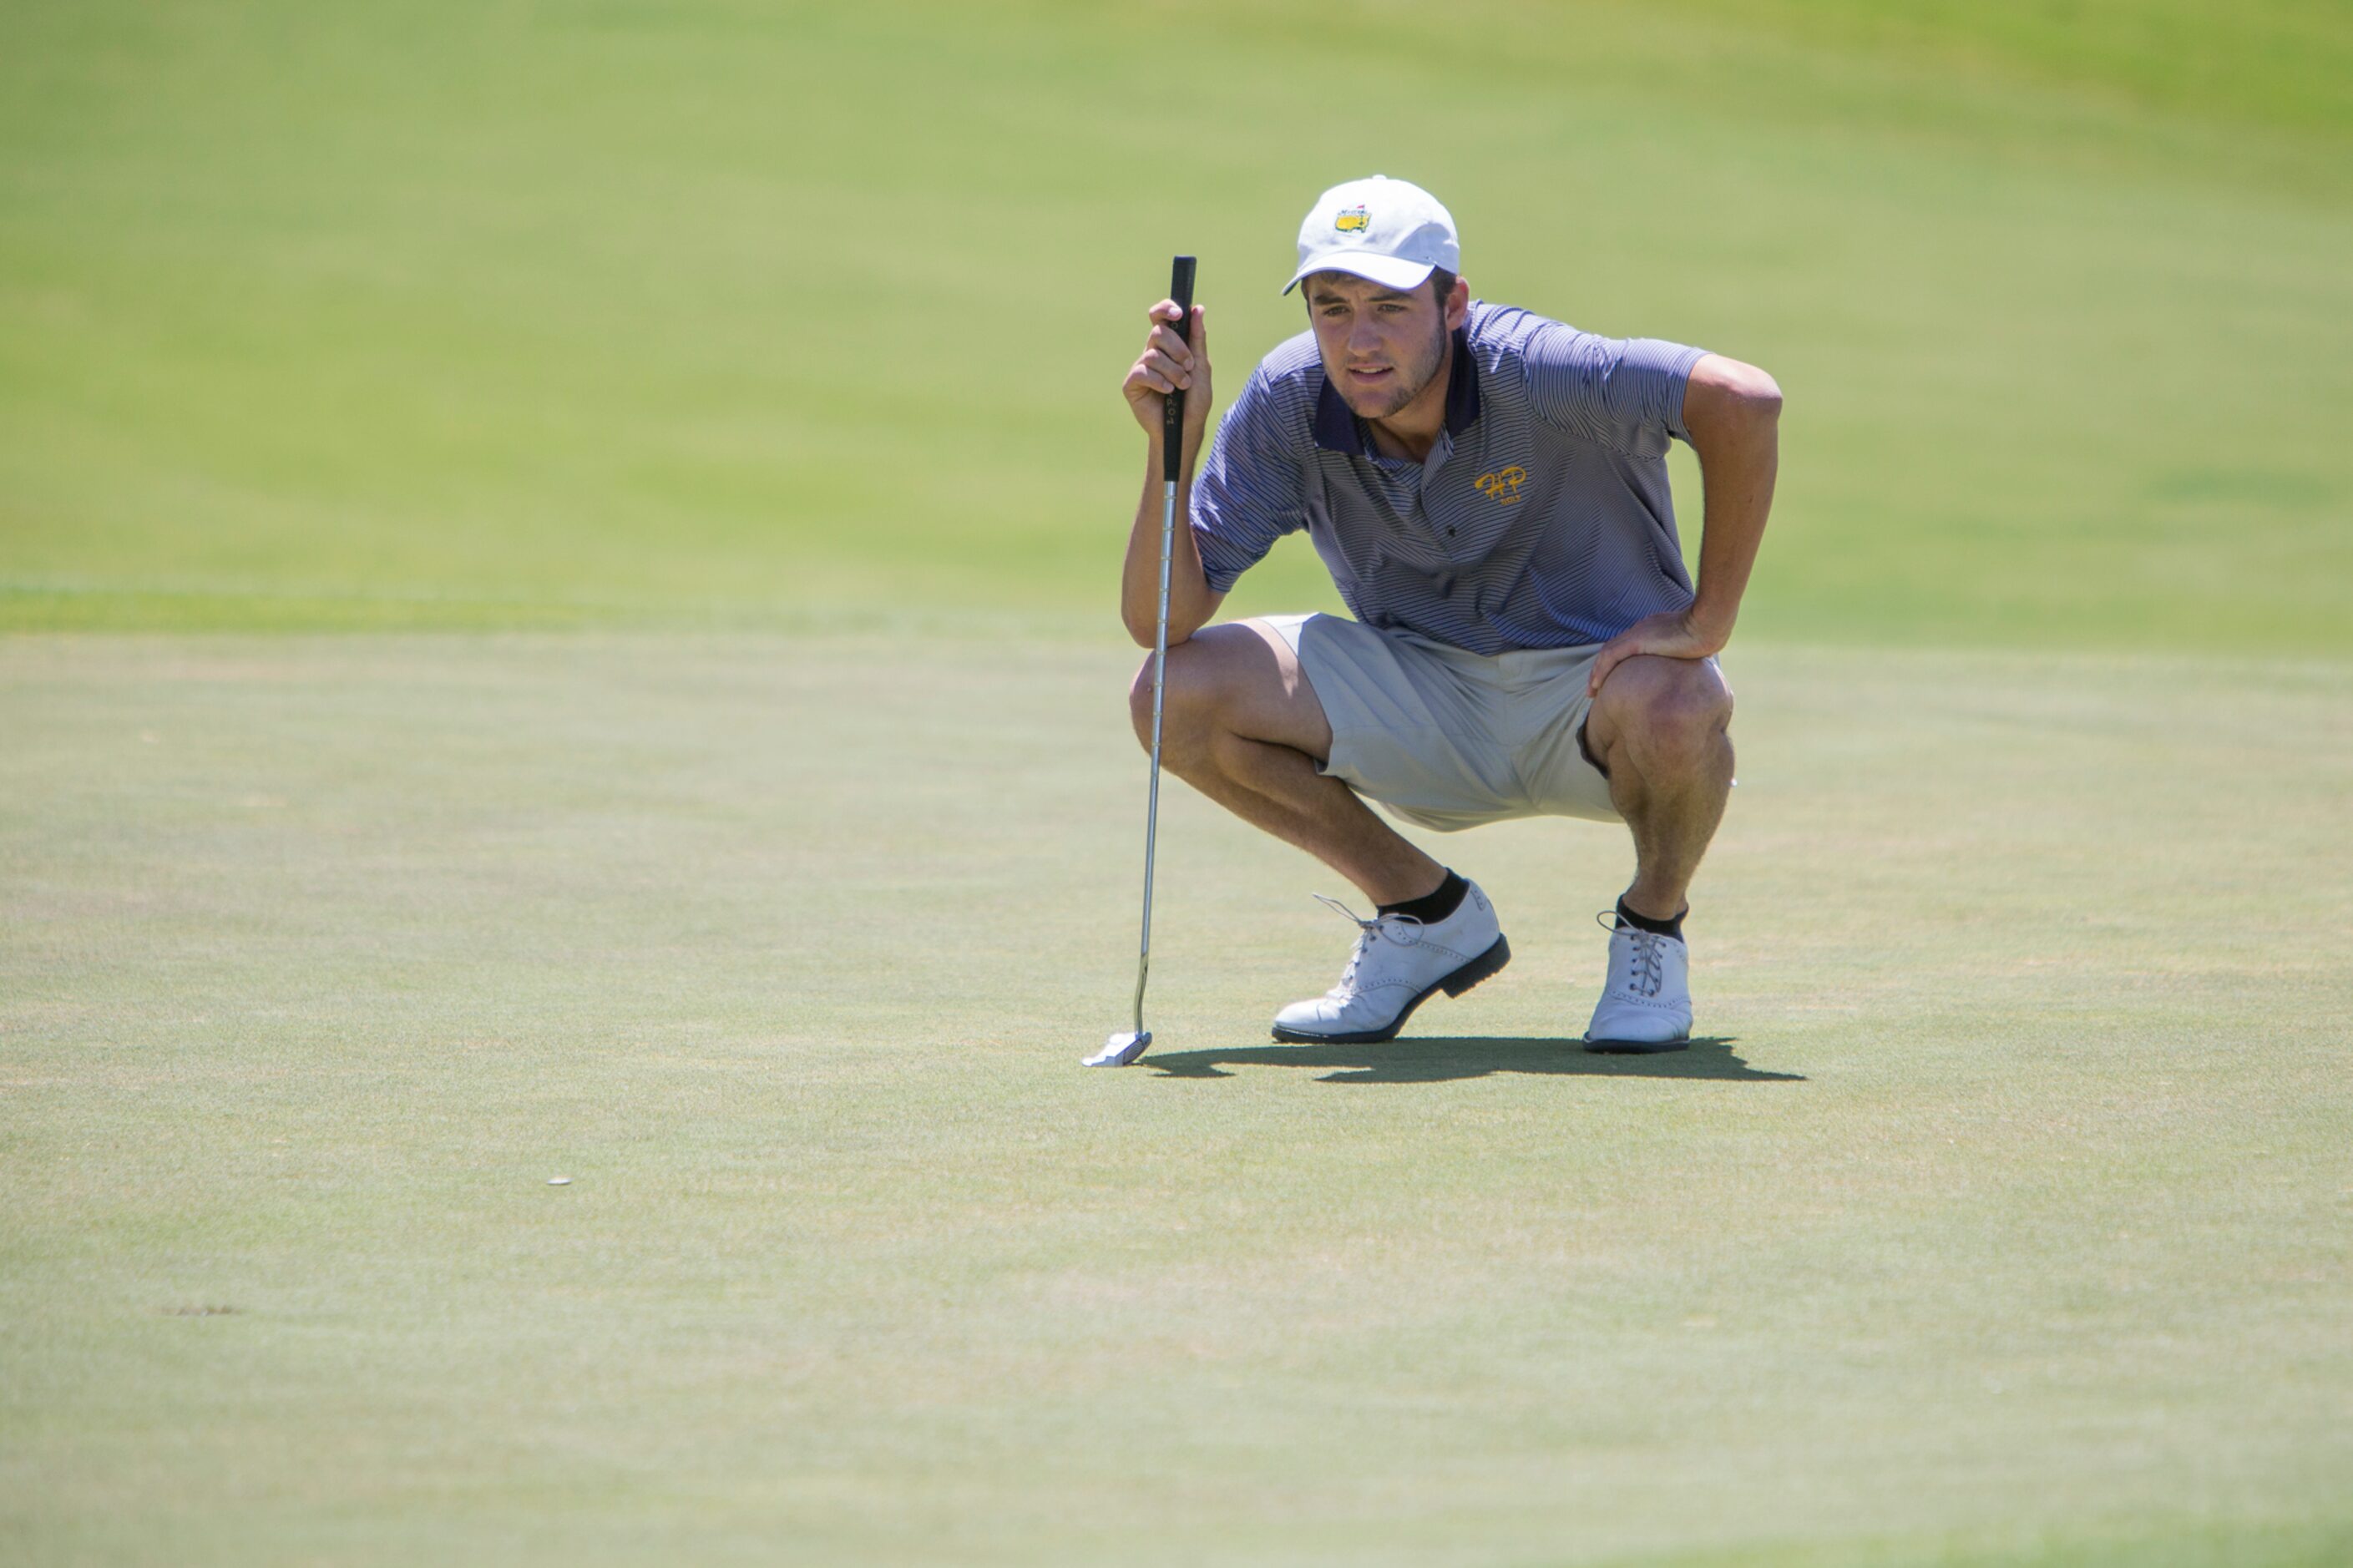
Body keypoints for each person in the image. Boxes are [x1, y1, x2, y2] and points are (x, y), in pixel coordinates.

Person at [1117, 175, 1781, 1051]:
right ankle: (1425, 913)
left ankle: (1651, 928)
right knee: (1170, 689)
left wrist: (1708, 623)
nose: (1359, 341)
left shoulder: (1536, 368)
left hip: (1595, 698)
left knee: (1683, 698)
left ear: (1454, 302)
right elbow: (1160, 618)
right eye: (1332, 308)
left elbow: (1741, 399)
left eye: (1390, 308)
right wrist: (1175, 438)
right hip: (1421, 694)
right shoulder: (1290, 398)